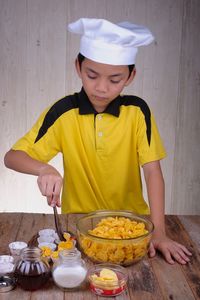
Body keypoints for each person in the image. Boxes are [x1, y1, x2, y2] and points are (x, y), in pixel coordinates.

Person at [4, 18, 192, 264]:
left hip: (132, 228)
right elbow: (12, 157)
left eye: (114, 79)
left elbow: (153, 172)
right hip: (78, 228)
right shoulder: (63, 112)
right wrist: (44, 168)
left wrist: (159, 232)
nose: (101, 87)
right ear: (78, 67)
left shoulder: (137, 112)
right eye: (92, 75)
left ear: (131, 76)